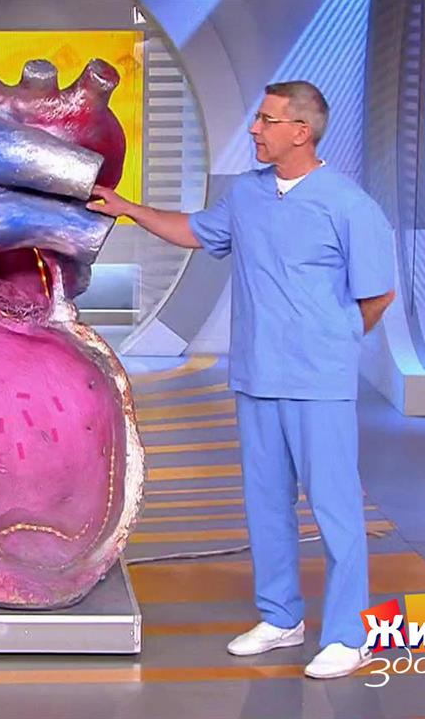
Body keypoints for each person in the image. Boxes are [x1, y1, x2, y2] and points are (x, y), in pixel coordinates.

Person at [88, 81, 396, 679]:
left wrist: (331, 341)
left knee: (335, 508)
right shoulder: (248, 195)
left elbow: (377, 294)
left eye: (267, 120)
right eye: (256, 118)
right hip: (256, 376)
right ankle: (281, 617)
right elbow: (195, 231)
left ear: (301, 132)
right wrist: (128, 208)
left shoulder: (349, 205)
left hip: (318, 382)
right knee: (266, 504)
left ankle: (349, 634)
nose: (255, 129)